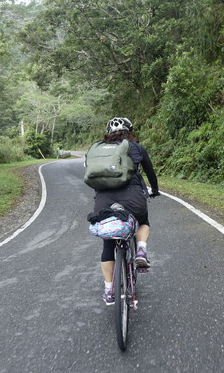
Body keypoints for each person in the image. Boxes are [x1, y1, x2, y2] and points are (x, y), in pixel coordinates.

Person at [91, 117, 160, 305]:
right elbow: (150, 173)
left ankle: (108, 290)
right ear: (130, 131)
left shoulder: (98, 150)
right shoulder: (136, 148)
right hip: (133, 198)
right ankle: (141, 251)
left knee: (108, 242)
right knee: (143, 221)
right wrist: (154, 190)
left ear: (108, 133)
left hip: (104, 201)